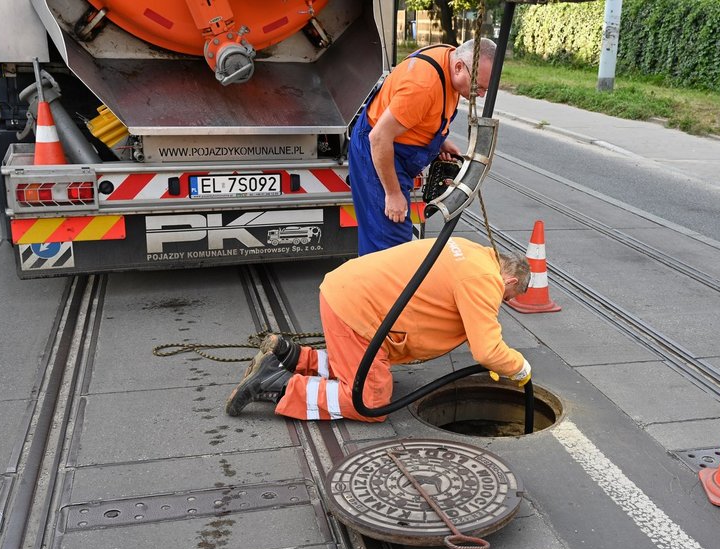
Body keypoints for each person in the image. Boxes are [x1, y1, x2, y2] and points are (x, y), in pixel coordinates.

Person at [225, 237, 531, 422]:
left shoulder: (469, 250)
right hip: (357, 312)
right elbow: (487, 349)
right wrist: (518, 367)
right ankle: (277, 384)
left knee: (366, 365)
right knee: (370, 401)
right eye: (506, 299)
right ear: (511, 281)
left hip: (349, 293)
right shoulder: (484, 280)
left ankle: (293, 357)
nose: (500, 302)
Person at [349, 38, 497, 255]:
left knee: (389, 239)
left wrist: (438, 141)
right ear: (458, 67)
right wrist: (392, 193)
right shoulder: (423, 87)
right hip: (379, 152)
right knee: (389, 243)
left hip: (393, 145)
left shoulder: (450, 57)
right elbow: (379, 138)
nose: (481, 95)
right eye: (479, 87)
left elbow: (420, 115)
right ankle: (386, 287)